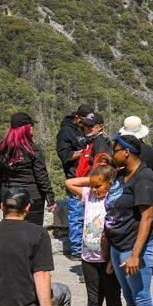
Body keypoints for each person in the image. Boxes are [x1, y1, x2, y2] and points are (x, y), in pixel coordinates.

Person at [103, 135, 153, 306]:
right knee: (129, 297)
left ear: (126, 152)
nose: (113, 154)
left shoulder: (144, 178)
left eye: (116, 150)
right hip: (118, 246)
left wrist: (135, 256)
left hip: (134, 246)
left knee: (141, 299)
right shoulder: (121, 174)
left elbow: (147, 217)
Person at [64, 165, 122, 306]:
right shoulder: (88, 195)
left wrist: (112, 260)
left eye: (98, 186)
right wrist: (92, 180)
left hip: (107, 259)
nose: (95, 189)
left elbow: (118, 232)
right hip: (88, 259)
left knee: (113, 299)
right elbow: (69, 183)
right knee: (93, 301)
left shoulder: (114, 199)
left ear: (109, 183)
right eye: (92, 185)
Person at [0, 112, 55, 227]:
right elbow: (41, 177)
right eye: (31, 126)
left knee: (11, 233)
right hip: (32, 198)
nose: (33, 129)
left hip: (9, 196)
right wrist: (50, 197)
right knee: (33, 234)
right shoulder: (33, 150)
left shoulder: (2, 149)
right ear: (26, 128)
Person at [56, 104, 92, 258]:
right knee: (77, 215)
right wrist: (85, 152)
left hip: (89, 178)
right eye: (85, 121)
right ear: (78, 117)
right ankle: (76, 249)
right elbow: (65, 156)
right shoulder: (65, 132)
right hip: (74, 178)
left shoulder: (83, 129)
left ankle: (88, 246)